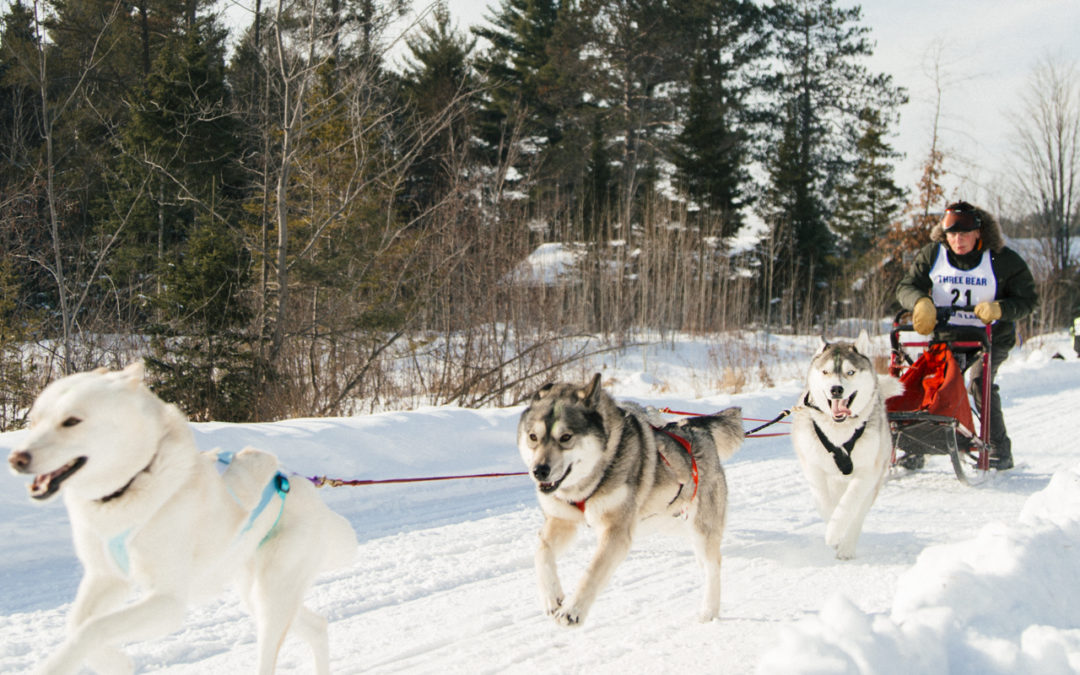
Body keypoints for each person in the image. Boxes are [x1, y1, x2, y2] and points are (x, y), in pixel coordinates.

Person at [896, 200, 1038, 470]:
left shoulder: (1002, 259)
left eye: (964, 234)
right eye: (952, 234)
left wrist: (1000, 308)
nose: (958, 240)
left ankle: (999, 448)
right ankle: (915, 446)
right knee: (931, 383)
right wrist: (919, 302)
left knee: (978, 381)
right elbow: (906, 286)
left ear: (978, 233)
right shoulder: (932, 255)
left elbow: (1028, 300)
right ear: (944, 234)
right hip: (947, 336)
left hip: (991, 337)